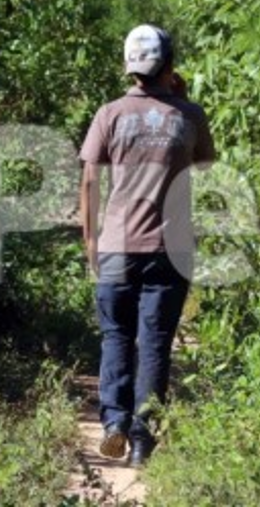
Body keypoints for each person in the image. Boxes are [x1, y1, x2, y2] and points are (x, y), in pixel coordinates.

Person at [78, 24, 216, 467]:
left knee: (116, 335)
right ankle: (142, 440)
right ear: (170, 65)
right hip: (169, 250)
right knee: (155, 341)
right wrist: (183, 97)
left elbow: (89, 180)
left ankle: (114, 423)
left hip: (117, 244)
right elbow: (206, 164)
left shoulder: (110, 114)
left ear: (129, 67)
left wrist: (90, 242)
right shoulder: (189, 116)